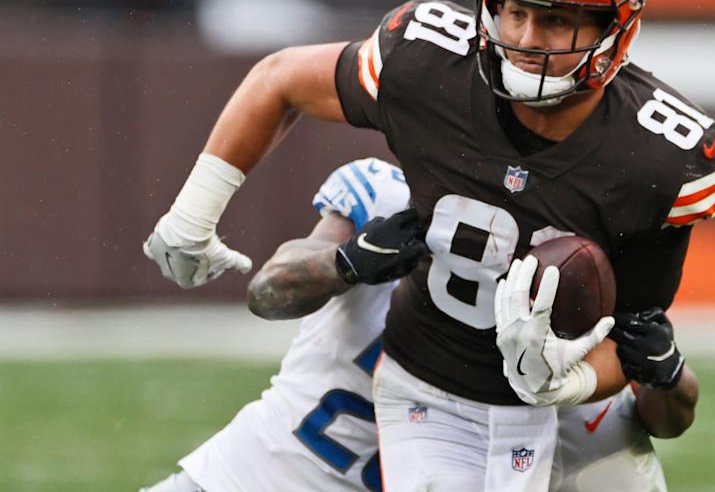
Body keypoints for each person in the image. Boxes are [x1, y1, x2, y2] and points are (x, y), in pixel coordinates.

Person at [144, 0, 715, 490]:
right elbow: (280, 84)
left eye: (556, 20)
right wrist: (199, 216)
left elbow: (639, 354)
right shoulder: (423, 83)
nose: (525, 38)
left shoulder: (658, 157)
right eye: (514, 11)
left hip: (560, 409)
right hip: (429, 393)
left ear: (615, 27)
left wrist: (566, 381)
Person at [140, 158, 686, 492]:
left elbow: (658, 421)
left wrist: (666, 370)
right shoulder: (386, 197)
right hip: (253, 477)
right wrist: (348, 262)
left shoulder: (561, 305)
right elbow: (267, 292)